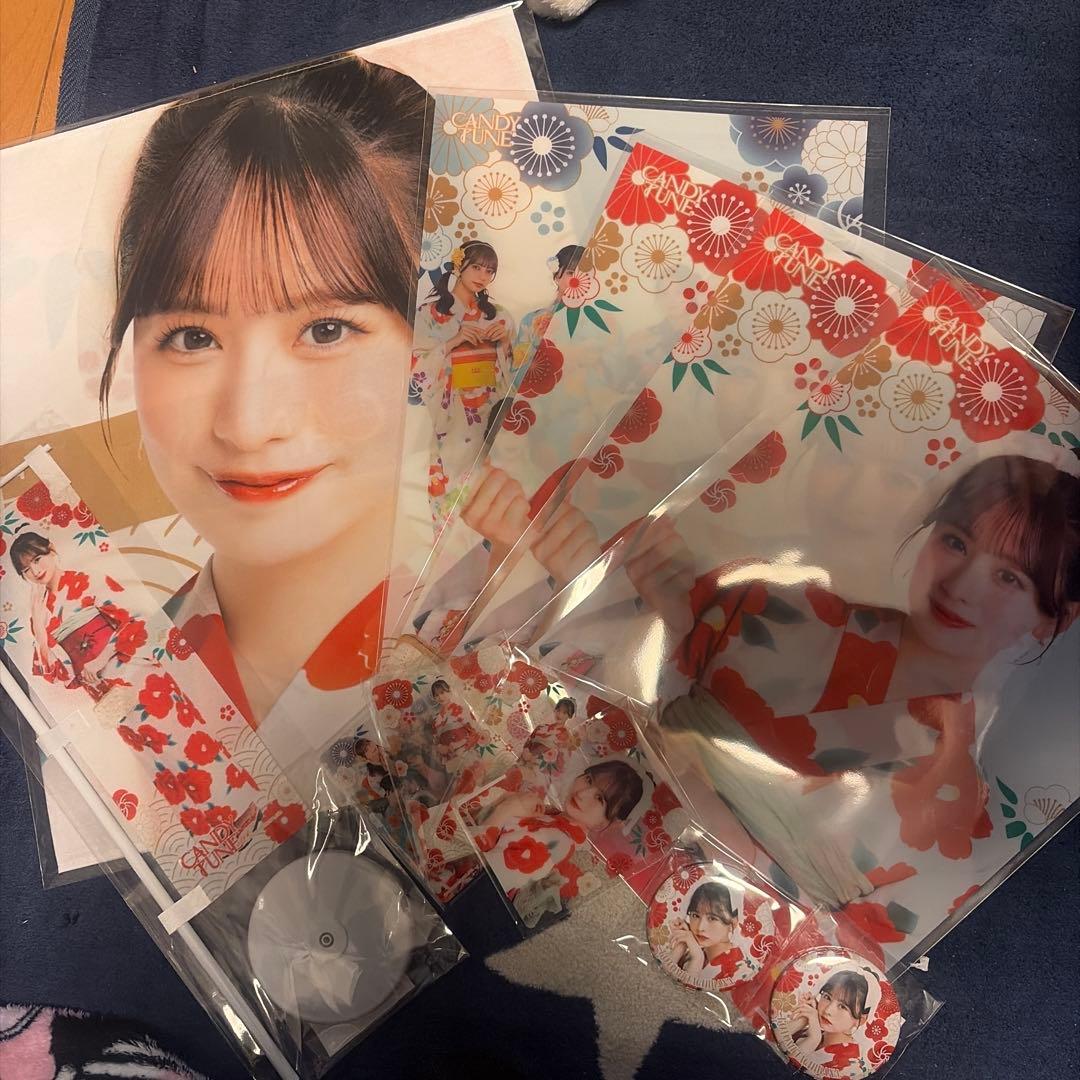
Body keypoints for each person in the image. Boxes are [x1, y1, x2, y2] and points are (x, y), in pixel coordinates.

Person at [95, 57, 437, 752]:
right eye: (192, 337)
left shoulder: (548, 639)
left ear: (437, 335)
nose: (248, 427)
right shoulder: (101, 699)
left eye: (327, 330)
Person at [636, 454, 1080, 908]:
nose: (960, 585)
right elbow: (632, 681)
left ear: (1056, 619)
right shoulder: (763, 605)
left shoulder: (954, 803)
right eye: (956, 543)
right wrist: (670, 613)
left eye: (1008, 578)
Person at [412, 240, 514, 521]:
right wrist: (454, 342)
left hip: (487, 411)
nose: (483, 276)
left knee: (485, 492)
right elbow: (417, 369)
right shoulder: (429, 314)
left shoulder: (500, 316)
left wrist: (504, 342)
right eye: (477, 267)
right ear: (459, 266)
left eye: (489, 271)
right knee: (447, 484)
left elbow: (514, 373)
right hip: (450, 414)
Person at [9, 530, 156, 706]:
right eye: (26, 570)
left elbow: (135, 619)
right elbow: (56, 674)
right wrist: (38, 625)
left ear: (51, 549)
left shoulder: (89, 579)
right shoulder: (38, 615)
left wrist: (101, 659)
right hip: (101, 691)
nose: (35, 571)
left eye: (37, 559)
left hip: (129, 668)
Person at [787, 967, 878, 1073]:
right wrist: (804, 1020)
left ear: (860, 1020)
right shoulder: (814, 1029)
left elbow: (785, 1070)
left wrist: (813, 1039)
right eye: (827, 997)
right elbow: (776, 1041)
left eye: (842, 1006)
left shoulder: (850, 1064)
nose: (828, 1010)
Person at [667, 881, 744, 982]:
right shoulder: (692, 952)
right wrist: (681, 945)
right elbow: (661, 977)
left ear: (733, 923)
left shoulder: (738, 969)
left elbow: (681, 991)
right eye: (695, 915)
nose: (700, 927)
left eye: (712, 918)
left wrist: (697, 959)